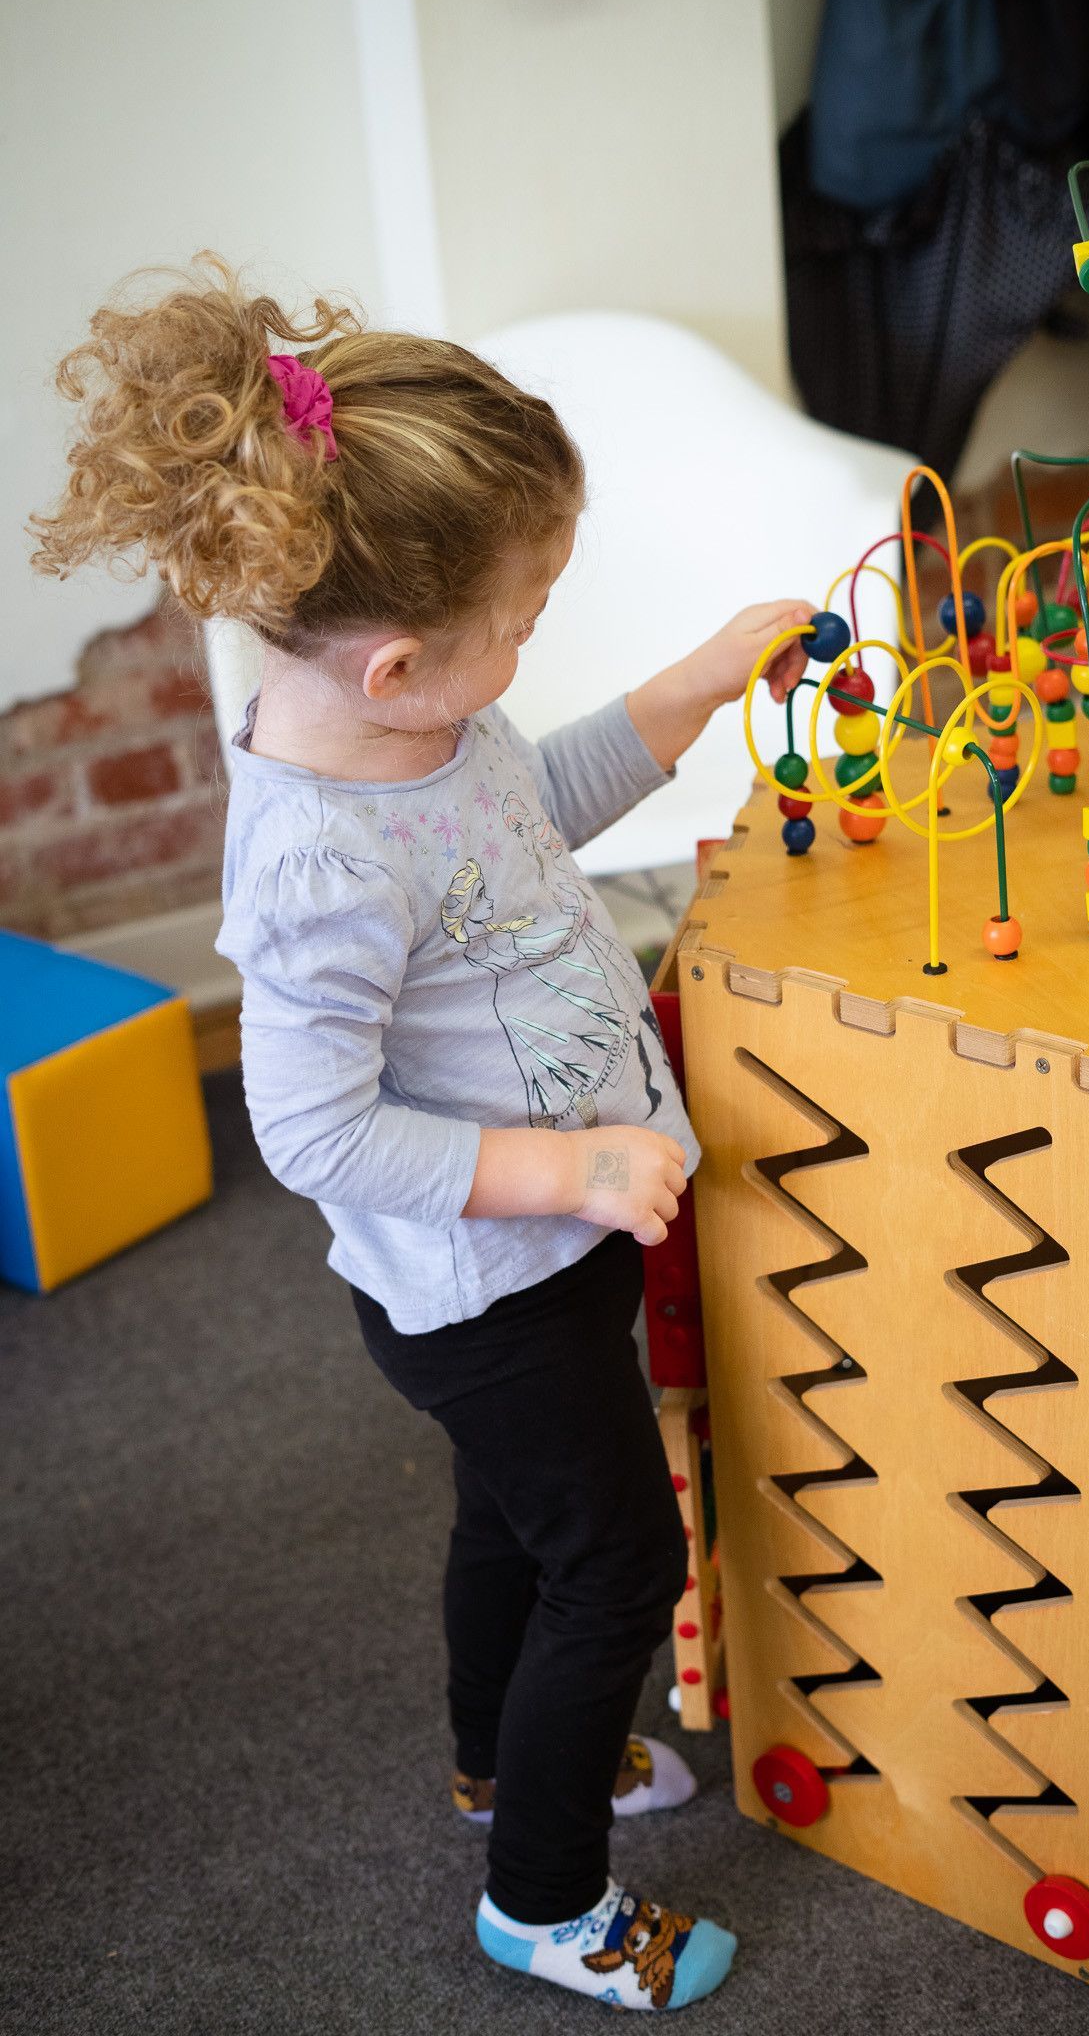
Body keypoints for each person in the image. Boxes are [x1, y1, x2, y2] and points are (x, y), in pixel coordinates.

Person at [31, 257, 813, 2013]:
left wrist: (678, 695)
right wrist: (575, 1171)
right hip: (487, 1277)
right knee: (616, 1566)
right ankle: (542, 1897)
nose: (527, 649)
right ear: (394, 661)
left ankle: (495, 1761)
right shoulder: (318, 857)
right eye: (522, 622)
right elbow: (307, 1128)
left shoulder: (427, 734)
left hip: (538, 1260)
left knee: (517, 1530)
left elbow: (521, 826)